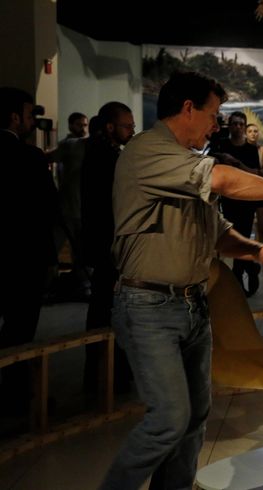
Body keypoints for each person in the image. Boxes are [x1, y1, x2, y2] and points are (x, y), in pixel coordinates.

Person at [100, 71, 263, 490]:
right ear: (188, 109)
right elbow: (225, 181)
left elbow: (214, 232)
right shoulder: (146, 152)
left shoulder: (182, 164)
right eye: (213, 114)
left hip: (192, 305)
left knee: (194, 417)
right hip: (149, 306)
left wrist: (260, 251)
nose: (217, 124)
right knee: (168, 420)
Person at [0, 87, 58, 415]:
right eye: (30, 115)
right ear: (14, 117)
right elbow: (46, 210)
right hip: (23, 258)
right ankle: (15, 397)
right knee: (20, 329)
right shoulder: (29, 157)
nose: (33, 122)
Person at [81, 101, 135, 394]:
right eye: (127, 125)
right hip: (110, 246)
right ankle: (107, 376)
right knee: (107, 309)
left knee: (106, 308)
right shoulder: (107, 158)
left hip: (107, 244)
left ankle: (106, 374)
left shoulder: (103, 153)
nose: (132, 130)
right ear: (111, 127)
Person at [208, 111, 263, 296]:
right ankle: (248, 268)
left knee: (244, 236)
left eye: (241, 124)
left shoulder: (250, 148)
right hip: (228, 201)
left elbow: (255, 173)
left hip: (246, 201)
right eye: (234, 124)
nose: (238, 127)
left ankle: (239, 274)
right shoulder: (222, 145)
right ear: (229, 126)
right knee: (235, 237)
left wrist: (236, 164)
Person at [47, 112, 90, 296]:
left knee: (77, 250)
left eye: (85, 125)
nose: (83, 129)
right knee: (58, 248)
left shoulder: (73, 146)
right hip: (68, 208)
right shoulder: (71, 145)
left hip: (76, 207)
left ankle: (78, 284)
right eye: (80, 125)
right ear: (71, 125)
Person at [245, 122, 263, 275]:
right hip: (247, 193)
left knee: (262, 230)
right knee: (245, 230)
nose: (253, 133)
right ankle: (249, 262)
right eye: (250, 131)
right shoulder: (242, 150)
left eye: (255, 131)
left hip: (261, 193)